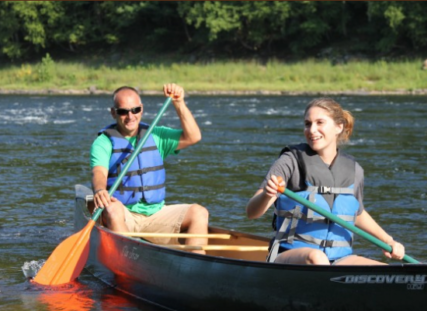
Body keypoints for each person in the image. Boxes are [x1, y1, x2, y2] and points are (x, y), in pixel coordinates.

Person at [246, 97, 406, 265]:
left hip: (339, 259)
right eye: (308, 124)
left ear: (339, 127)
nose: (312, 130)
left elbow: (357, 213)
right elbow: (252, 212)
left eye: (319, 123)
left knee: (382, 270)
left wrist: (388, 240)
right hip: (290, 255)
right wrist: (267, 194)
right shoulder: (290, 161)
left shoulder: (354, 170)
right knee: (317, 258)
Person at [91, 83, 209, 254]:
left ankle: (196, 268)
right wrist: (100, 190)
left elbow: (193, 136)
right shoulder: (103, 142)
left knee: (199, 212)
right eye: (123, 111)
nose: (130, 116)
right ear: (113, 113)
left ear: (142, 109)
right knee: (113, 208)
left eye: (135, 110)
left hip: (156, 214)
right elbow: (99, 171)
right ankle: (125, 261)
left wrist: (179, 103)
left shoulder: (156, 135)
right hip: (125, 214)